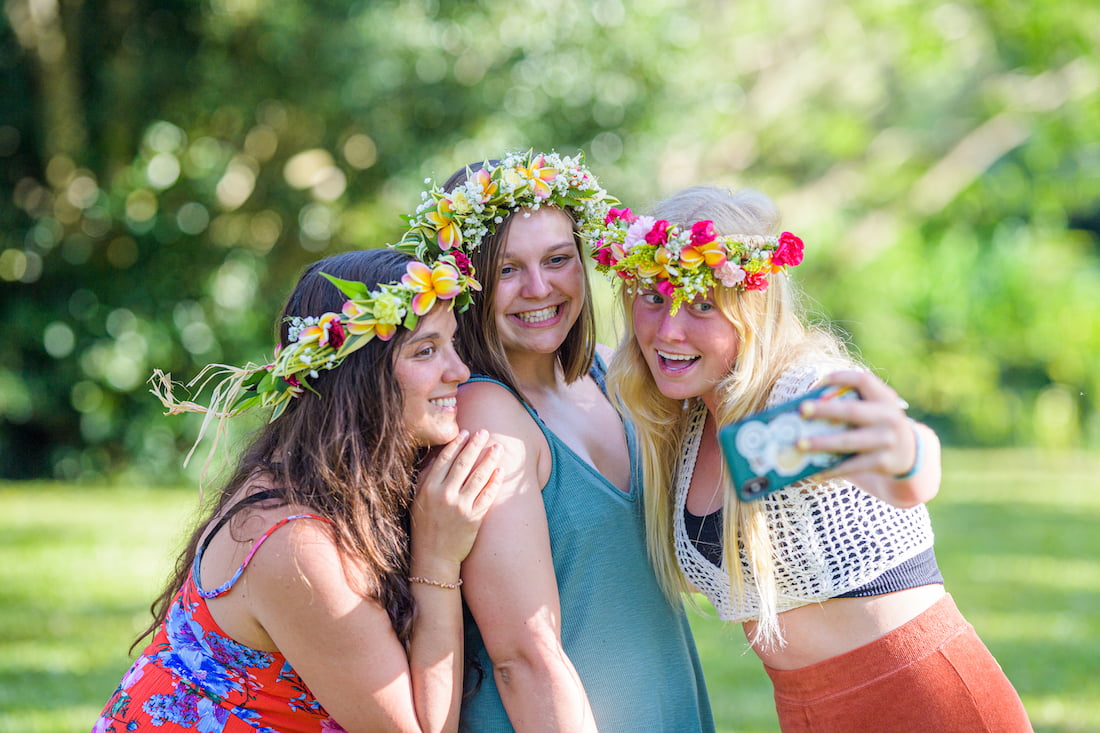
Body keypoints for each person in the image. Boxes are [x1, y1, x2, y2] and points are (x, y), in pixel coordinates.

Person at [598, 186, 1032, 732]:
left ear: (753, 307)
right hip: (808, 712)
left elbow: (908, 473)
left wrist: (907, 450)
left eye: (704, 305)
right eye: (654, 298)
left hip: (922, 701)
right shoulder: (682, 421)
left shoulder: (795, 392)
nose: (668, 331)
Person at [94, 248, 502, 733]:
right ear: (360, 377)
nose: (458, 371)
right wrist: (437, 559)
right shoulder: (294, 542)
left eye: (451, 344)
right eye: (425, 350)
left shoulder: (335, 489)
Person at [394, 151, 714, 732]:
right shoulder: (485, 413)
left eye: (558, 259)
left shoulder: (611, 374)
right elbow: (524, 659)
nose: (539, 288)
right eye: (508, 269)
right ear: (466, 280)